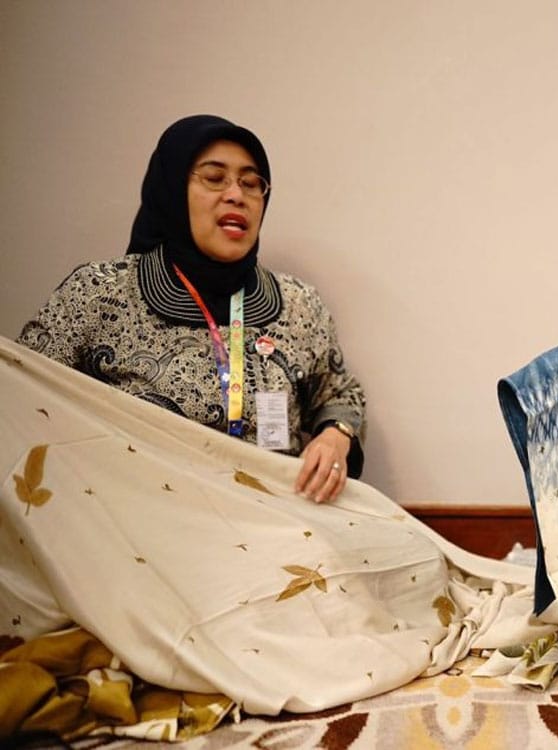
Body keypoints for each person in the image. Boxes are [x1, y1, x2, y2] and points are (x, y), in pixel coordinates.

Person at [18, 114, 364, 503]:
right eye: (214, 178)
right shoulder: (100, 293)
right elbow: (22, 400)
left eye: (251, 183)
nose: (236, 195)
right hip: (137, 517)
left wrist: (336, 436)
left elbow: (340, 393)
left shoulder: (299, 304)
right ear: (171, 190)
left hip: (275, 515)